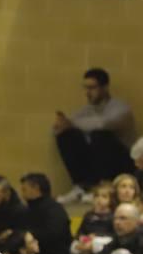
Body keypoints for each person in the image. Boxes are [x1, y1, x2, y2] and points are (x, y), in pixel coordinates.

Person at [53, 67, 136, 200]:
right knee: (67, 135)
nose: (87, 92)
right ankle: (81, 185)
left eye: (92, 88)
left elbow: (103, 124)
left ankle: (102, 187)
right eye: (85, 88)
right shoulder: (86, 110)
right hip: (95, 164)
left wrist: (72, 123)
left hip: (122, 163)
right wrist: (61, 125)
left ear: (105, 88)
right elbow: (68, 125)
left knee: (100, 136)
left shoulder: (120, 108)